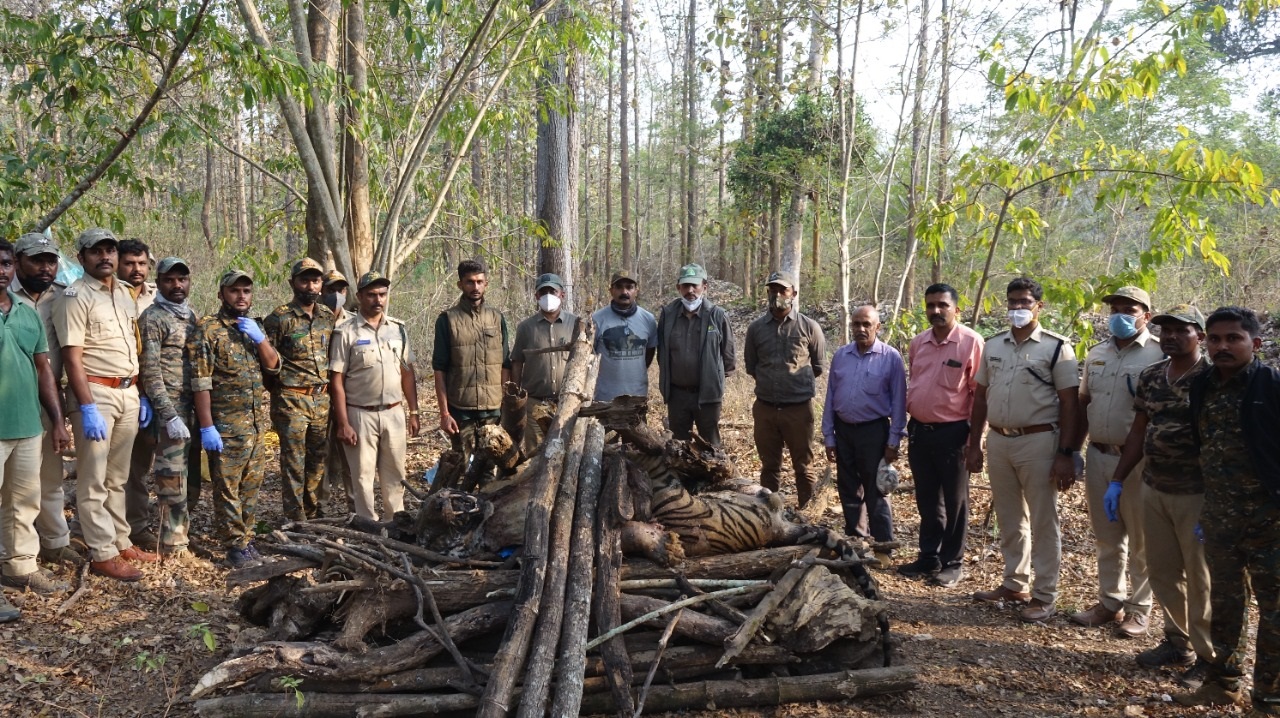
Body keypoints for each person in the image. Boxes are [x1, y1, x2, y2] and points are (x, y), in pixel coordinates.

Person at [1176, 306, 1280, 713]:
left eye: (1233, 338)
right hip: (1220, 516)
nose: (1222, 346)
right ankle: (1223, 682)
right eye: (1214, 338)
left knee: (1274, 610)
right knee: (1225, 602)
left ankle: (1269, 697)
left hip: (1269, 519)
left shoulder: (1270, 385)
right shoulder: (1203, 385)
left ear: (1254, 343)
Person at [1110, 304, 1213, 687]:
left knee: (1200, 579)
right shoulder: (1152, 375)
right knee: (1164, 571)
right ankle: (1177, 642)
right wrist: (1118, 480)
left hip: (1196, 493)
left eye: (1180, 330)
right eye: (1164, 330)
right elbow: (1139, 430)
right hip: (1154, 487)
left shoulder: (1212, 378)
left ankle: (1209, 658)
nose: (1170, 336)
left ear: (1199, 336)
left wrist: (1218, 499)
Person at [967, 276, 1080, 623]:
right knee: (1010, 517)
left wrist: (1066, 452)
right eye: (1012, 301)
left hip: (1040, 441)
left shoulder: (1057, 347)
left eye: (1025, 302)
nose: (1017, 308)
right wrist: (975, 444)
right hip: (1000, 440)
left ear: (1039, 306)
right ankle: (1014, 582)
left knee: (1043, 519)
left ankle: (1044, 594)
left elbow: (1070, 404)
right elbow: (981, 397)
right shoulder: (994, 345)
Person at [54, 228, 159, 582]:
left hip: (128, 392)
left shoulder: (126, 295)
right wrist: (85, 407)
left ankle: (120, 540)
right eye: (95, 251)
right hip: (95, 393)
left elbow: (133, 347)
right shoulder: (74, 296)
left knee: (118, 477)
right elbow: (72, 356)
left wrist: (141, 393)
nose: (105, 257)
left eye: (109, 250)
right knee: (93, 479)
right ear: (81, 257)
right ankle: (101, 552)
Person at [1071, 287, 1162, 636]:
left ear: (1146, 315)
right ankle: (1110, 602)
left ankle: (1139, 609)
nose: (1119, 315)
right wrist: (1072, 452)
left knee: (1141, 538)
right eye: (1114, 309)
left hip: (1139, 461)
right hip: (1099, 455)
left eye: (1129, 309)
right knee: (1107, 535)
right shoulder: (1096, 354)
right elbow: (1083, 405)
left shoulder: (1157, 356)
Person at [0, 238, 73, 613]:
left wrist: (58, 421)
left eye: (6, 263)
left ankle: (19, 567)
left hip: (28, 423)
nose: (2, 270)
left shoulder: (26, 313)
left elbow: (45, 368)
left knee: (23, 501)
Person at [192, 269, 280, 568]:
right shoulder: (208, 329)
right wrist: (207, 426)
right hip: (225, 426)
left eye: (246, 291)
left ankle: (247, 537)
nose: (241, 296)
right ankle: (234, 545)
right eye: (234, 291)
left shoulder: (255, 327)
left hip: (254, 425)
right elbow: (201, 382)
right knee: (227, 488)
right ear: (221, 294)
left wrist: (260, 340)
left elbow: (273, 367)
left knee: (251, 486)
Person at [899, 283, 983, 588]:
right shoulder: (918, 342)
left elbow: (978, 395)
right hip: (920, 431)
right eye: (931, 305)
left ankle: (952, 563)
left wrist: (974, 441)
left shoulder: (971, 342)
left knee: (955, 500)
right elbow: (916, 381)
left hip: (954, 433)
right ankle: (928, 557)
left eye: (942, 305)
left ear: (956, 309)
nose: (936, 310)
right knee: (927, 498)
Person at [9, 233, 81, 567]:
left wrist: (62, 414)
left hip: (50, 397)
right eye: (36, 260)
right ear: (18, 260)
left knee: (50, 476)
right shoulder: (8, 296)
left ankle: (54, 542)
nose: (45, 267)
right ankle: (13, 552)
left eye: (51, 260)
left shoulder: (65, 298)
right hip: (10, 398)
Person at [822, 304, 907, 570]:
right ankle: (856, 542)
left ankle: (883, 547)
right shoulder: (841, 356)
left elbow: (899, 403)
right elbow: (830, 397)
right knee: (848, 489)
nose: (860, 329)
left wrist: (894, 440)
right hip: (844, 430)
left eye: (866, 324)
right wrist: (829, 437)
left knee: (876, 491)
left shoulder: (891, 357)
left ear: (877, 327)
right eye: (856, 324)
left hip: (874, 432)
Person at [331, 271, 420, 520]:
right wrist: (343, 422)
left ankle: (396, 525)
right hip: (360, 414)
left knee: (395, 475)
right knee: (362, 478)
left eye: (382, 294)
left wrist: (414, 411)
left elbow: (407, 373)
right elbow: (336, 379)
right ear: (359, 297)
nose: (377, 300)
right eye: (371, 295)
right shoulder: (345, 332)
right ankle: (368, 527)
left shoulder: (398, 330)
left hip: (393, 412)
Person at [743, 271, 826, 508]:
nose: (777, 294)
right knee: (769, 467)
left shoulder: (809, 327)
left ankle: (808, 514)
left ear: (793, 293)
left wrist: (793, 386)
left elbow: (818, 366)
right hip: (766, 408)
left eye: (783, 290)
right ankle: (770, 517)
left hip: (798, 410)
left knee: (803, 466)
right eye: (773, 290)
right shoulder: (756, 328)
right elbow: (752, 366)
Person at [137, 257, 200, 557]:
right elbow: (150, 370)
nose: (177, 285)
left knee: (192, 477)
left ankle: (182, 533)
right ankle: (172, 544)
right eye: (169, 280)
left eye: (182, 279)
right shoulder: (153, 317)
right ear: (159, 282)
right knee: (171, 478)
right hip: (171, 412)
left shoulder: (192, 316)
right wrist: (169, 414)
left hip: (195, 410)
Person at [264, 258, 336, 521]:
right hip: (292, 399)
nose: (310, 285)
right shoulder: (279, 317)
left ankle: (314, 511)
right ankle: (296, 519)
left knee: (317, 460)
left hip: (322, 399)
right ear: (293, 283)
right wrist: (279, 392)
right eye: (304, 280)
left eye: (315, 280)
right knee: (294, 461)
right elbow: (267, 363)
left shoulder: (327, 316)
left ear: (321, 285)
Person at [432, 259, 510, 488]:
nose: (475, 287)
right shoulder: (447, 320)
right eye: (469, 282)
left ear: (486, 284)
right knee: (462, 468)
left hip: (492, 410)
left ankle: (487, 519)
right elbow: (440, 369)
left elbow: (505, 364)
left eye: (479, 282)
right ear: (460, 284)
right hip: (461, 411)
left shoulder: (497, 318)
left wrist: (505, 404)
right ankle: (459, 517)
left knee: (489, 472)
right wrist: (444, 413)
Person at [656, 264, 735, 446]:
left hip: (707, 395)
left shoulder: (717, 315)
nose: (690, 291)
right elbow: (662, 354)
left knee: (711, 446)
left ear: (704, 287)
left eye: (695, 285)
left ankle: (711, 475)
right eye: (685, 286)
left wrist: (712, 379)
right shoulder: (668, 315)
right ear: (679, 288)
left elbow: (729, 356)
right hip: (677, 395)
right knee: (679, 447)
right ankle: (682, 476)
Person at [118, 239, 161, 550]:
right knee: (112, 466)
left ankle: (137, 526)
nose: (136, 270)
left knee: (140, 465)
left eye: (142, 263)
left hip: (152, 394)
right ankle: (96, 529)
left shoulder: (156, 298)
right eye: (130, 263)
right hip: (117, 389)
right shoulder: (107, 296)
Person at [510, 273, 578, 453]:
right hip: (535, 404)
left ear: (562, 295)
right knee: (535, 452)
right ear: (537, 296)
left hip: (568, 403)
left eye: (553, 291)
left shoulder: (576, 324)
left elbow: (585, 361)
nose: (548, 295)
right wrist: (517, 398)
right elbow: (517, 362)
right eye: (543, 291)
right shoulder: (526, 327)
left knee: (568, 450)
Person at [592, 270, 657, 403]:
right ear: (611, 290)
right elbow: (590, 357)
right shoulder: (596, 320)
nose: (624, 292)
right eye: (619, 287)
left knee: (637, 424)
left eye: (629, 287)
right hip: (604, 398)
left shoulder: (648, 319)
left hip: (637, 397)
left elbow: (649, 352)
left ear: (636, 290)